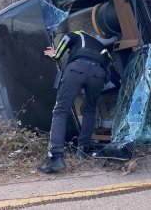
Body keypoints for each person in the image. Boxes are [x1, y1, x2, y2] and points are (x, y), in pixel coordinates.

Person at [38, 24, 110, 174]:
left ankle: (56, 157)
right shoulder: (100, 44)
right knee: (89, 109)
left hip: (77, 68)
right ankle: (83, 150)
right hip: (98, 74)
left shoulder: (77, 33)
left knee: (61, 111)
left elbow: (66, 39)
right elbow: (108, 68)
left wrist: (56, 54)